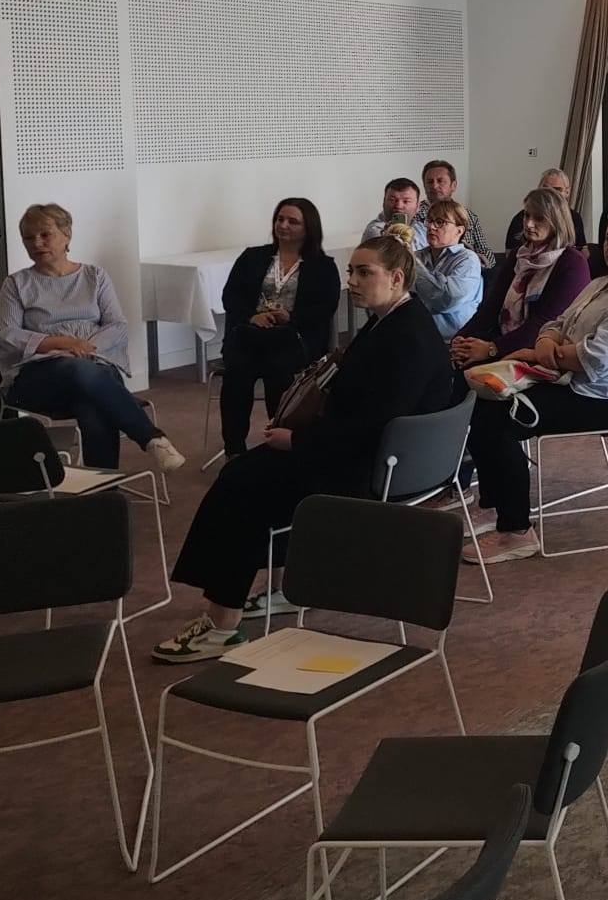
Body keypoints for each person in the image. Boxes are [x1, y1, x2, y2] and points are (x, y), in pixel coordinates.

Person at [155, 237, 457, 660]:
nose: (352, 281)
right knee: (246, 473)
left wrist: (298, 439)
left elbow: (373, 425)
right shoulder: (394, 320)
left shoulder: (405, 337)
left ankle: (222, 624)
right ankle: (281, 589)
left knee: (242, 485)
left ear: (396, 278)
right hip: (379, 455)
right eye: (351, 271)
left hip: (373, 467)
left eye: (364, 272)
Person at [464, 211, 608, 563]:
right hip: (567, 379)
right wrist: (546, 344)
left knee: (498, 422)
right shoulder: (602, 283)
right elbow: (557, 322)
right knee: (480, 402)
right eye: (607, 239)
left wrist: (542, 353)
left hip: (607, 399)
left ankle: (516, 531)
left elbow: (596, 358)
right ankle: (492, 504)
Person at [0, 204, 184, 474]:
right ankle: (151, 438)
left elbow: (117, 326)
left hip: (95, 369)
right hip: (38, 379)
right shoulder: (16, 284)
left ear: (67, 234)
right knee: (79, 371)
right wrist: (62, 344)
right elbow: (6, 335)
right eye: (28, 237)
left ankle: (102, 489)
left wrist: (84, 350)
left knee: (92, 404)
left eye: (45, 235)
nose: (36, 243)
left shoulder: (95, 277)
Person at [215, 198, 340, 460]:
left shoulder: (323, 266)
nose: (283, 225)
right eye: (280, 219)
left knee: (280, 374)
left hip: (292, 338)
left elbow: (325, 307)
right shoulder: (253, 257)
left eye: (292, 221)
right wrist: (252, 316)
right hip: (250, 335)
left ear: (308, 227)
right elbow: (230, 297)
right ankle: (234, 450)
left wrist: (291, 317)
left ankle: (279, 447)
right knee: (236, 378)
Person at [451, 188, 590, 368]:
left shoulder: (572, 262)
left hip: (537, 351)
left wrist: (492, 349)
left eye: (539, 218)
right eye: (526, 215)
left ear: (556, 221)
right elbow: (491, 307)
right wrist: (460, 338)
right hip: (502, 338)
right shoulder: (519, 255)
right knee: (454, 361)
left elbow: (546, 322)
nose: (529, 224)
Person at [412, 199, 486, 338]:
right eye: (429, 221)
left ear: (459, 230)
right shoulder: (418, 256)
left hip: (453, 341)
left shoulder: (468, 259)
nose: (431, 227)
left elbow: (447, 300)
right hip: (417, 335)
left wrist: (413, 265)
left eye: (440, 222)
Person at [416, 159, 493, 267]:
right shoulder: (415, 214)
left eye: (440, 181)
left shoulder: (469, 216)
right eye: (430, 182)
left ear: (453, 185)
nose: (434, 186)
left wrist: (471, 260)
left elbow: (486, 253)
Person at [508, 167, 579, 252]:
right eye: (546, 189)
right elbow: (510, 252)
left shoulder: (575, 217)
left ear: (567, 192)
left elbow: (583, 249)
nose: (550, 194)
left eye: (557, 190)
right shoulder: (521, 217)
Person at [363, 177, 427, 250]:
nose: (398, 206)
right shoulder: (376, 231)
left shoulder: (421, 228)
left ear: (417, 206)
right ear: (383, 202)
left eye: (406, 201)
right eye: (392, 200)